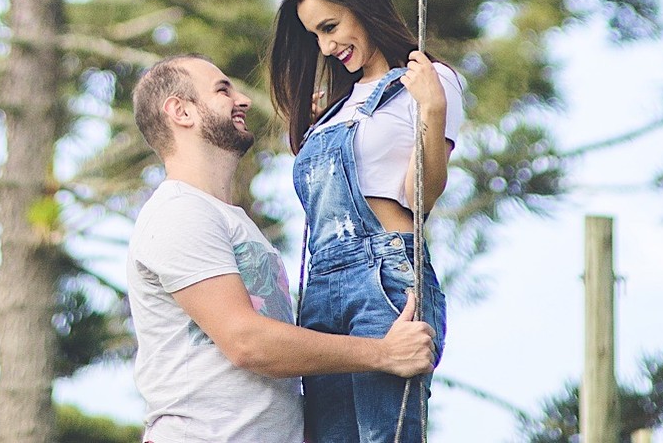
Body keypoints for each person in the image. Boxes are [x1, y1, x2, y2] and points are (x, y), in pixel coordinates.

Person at [127, 53, 436, 443]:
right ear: (181, 111)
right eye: (223, 90)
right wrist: (383, 353)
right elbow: (246, 342)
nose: (243, 100)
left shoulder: (229, 220)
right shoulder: (179, 212)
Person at [268, 0, 463, 443]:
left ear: (361, 4)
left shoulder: (425, 84)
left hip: (384, 276)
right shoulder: (332, 110)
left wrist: (433, 110)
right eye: (316, 36)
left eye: (331, 27)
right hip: (320, 290)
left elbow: (420, 198)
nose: (327, 45)